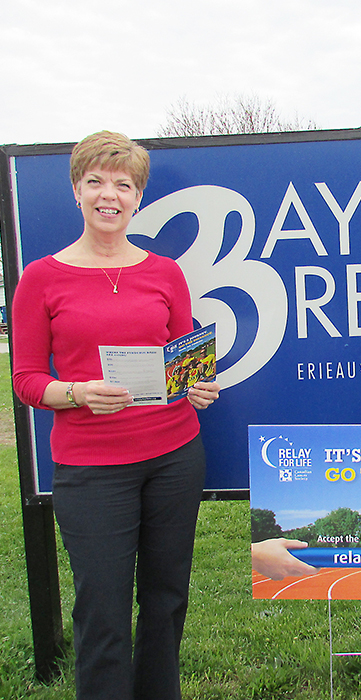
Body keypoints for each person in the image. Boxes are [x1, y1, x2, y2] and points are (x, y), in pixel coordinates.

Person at [11, 131, 221, 700]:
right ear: (77, 189)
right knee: (102, 613)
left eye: (123, 185)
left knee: (165, 600)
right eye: (97, 181)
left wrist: (200, 385)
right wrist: (76, 392)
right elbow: (27, 379)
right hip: (92, 469)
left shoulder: (165, 273)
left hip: (174, 457)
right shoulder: (41, 278)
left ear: (137, 197)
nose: (110, 194)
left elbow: (186, 359)